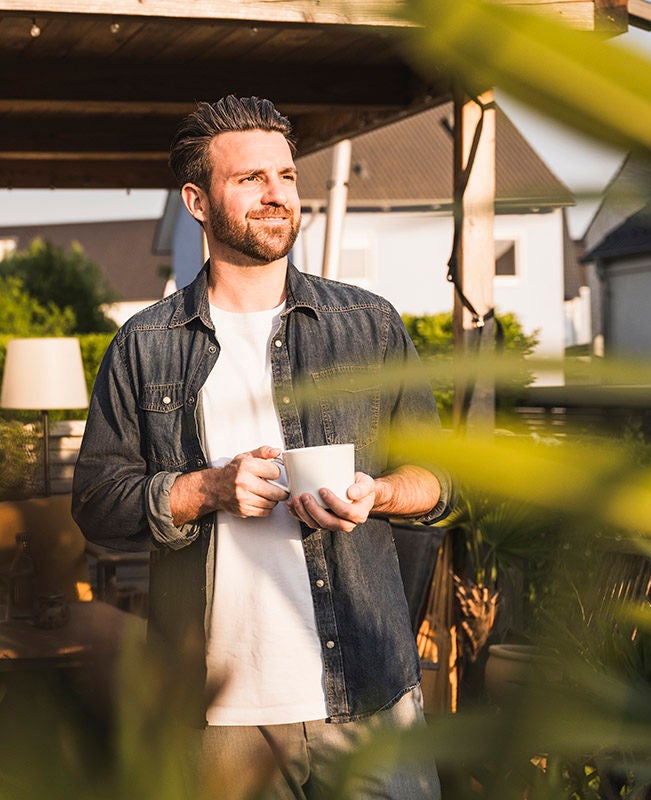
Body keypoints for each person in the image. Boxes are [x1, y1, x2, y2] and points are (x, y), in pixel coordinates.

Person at [71, 95, 451, 799]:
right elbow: (96, 500)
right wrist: (205, 490)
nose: (276, 195)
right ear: (197, 199)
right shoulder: (144, 345)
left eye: (286, 176)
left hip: (369, 695)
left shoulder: (369, 324)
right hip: (216, 716)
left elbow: (441, 480)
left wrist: (382, 493)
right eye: (250, 179)